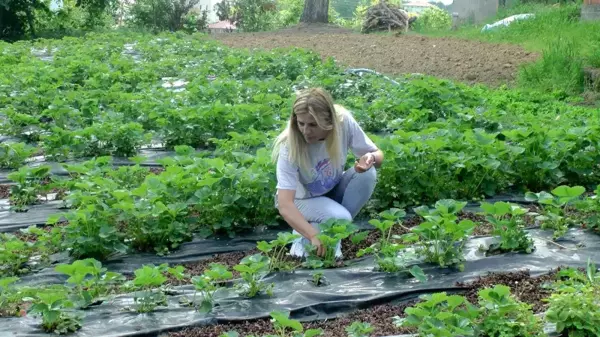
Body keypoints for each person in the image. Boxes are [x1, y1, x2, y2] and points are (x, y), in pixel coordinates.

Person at [271, 88, 384, 258]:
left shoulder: (343, 122)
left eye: (313, 125)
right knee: (339, 218)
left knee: (367, 175)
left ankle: (325, 231)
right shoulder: (289, 146)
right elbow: (285, 204)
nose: (305, 131)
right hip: (301, 201)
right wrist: (313, 235)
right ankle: (307, 235)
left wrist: (370, 158)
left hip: (331, 191)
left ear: (329, 122)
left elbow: (378, 155)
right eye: (301, 123)